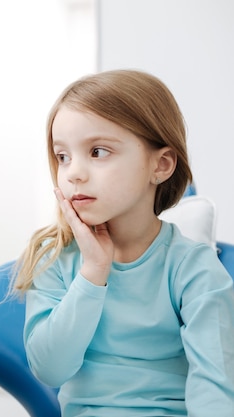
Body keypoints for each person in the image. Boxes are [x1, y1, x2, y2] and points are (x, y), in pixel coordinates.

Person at [12, 69, 234, 416]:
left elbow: (215, 387)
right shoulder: (55, 259)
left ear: (160, 165)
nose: (73, 173)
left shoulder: (194, 268)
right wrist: (92, 274)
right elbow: (49, 368)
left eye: (98, 152)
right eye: (62, 156)